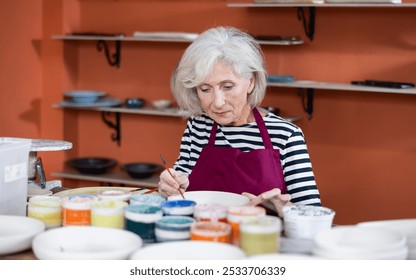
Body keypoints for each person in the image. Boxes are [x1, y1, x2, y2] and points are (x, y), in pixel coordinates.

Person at [158, 26, 321, 217]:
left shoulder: (286, 135)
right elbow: (182, 192)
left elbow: (314, 214)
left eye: (227, 86)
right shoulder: (197, 127)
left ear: (250, 82)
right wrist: (170, 187)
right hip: (206, 236)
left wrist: (285, 211)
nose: (217, 103)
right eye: (205, 89)